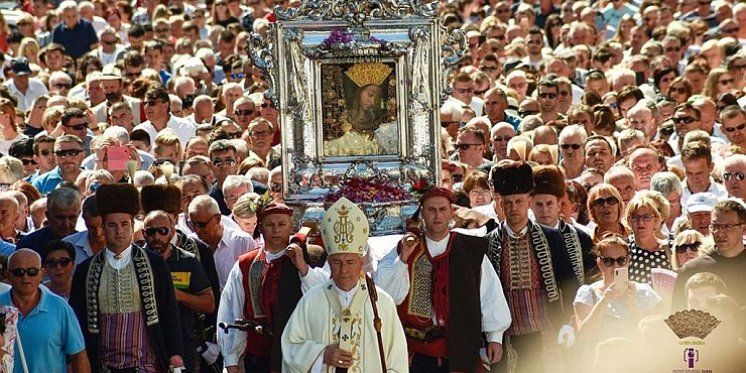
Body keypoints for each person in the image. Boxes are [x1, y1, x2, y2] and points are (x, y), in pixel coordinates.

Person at [375, 185, 510, 372]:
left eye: (442, 209)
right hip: (416, 353)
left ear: (451, 213)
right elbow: (385, 295)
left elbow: (489, 293)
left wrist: (495, 336)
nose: (437, 215)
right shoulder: (407, 249)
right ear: (422, 213)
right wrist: (403, 259)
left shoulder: (469, 250)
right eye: (431, 210)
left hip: (460, 349)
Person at [281, 197, 408, 372]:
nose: (344, 270)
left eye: (350, 262)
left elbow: (397, 358)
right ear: (329, 262)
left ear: (361, 262)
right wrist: (321, 354)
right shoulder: (311, 300)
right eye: (337, 262)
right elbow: (291, 346)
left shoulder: (381, 302)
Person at [69, 183, 185, 372]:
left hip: (145, 364)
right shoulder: (86, 270)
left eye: (124, 224)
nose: (119, 231)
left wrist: (175, 353)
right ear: (103, 228)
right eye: (112, 225)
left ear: (132, 226)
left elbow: (168, 310)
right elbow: (78, 320)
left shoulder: (154, 264)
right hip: (103, 366)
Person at [485, 161, 579, 372]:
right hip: (507, 335)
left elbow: (569, 283)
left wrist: (568, 322)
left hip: (546, 330)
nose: (513, 208)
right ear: (501, 205)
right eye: (507, 203)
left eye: (518, 201)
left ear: (528, 202)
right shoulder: (490, 243)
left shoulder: (551, 237)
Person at [218, 202, 325, 372]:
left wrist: (303, 268)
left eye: (281, 224)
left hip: (297, 356)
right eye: (270, 225)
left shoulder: (310, 257)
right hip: (257, 356)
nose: (276, 230)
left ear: (291, 227)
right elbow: (230, 311)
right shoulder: (246, 264)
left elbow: (323, 297)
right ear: (260, 227)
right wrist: (231, 359)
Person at [142, 210, 214, 373]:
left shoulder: (187, 261)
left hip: (182, 343)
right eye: (151, 232)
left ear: (173, 231)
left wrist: (179, 296)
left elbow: (209, 304)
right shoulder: (137, 260)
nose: (157, 237)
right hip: (146, 343)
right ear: (143, 233)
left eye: (163, 231)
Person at [0, 248, 90, 373]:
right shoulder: (1, 306)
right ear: (7, 275)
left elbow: (78, 355)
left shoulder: (60, 308)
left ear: (42, 273)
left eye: (32, 271)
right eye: (18, 272)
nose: (25, 277)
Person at [573, 235, 661, 350]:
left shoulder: (644, 292)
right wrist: (604, 300)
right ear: (600, 263)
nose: (615, 266)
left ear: (628, 261)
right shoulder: (588, 293)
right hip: (603, 361)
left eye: (621, 260)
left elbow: (656, 335)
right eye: (608, 261)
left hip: (638, 360)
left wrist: (632, 305)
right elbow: (584, 335)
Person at [672, 199, 746, 310]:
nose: (720, 233)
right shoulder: (692, 270)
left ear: (743, 228)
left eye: (727, 227)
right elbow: (678, 319)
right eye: (715, 227)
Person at [531, 165, 595, 283]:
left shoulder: (581, 238)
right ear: (530, 204)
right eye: (539, 205)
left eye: (549, 204)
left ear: (559, 204)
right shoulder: (525, 237)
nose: (545, 210)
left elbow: (591, 279)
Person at [324, 62, 397, 156]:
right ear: (360, 91)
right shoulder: (344, 119)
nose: (372, 101)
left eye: (377, 99)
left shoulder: (379, 125)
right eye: (370, 94)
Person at [188, 195, 255, 289]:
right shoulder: (190, 244)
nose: (196, 230)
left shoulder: (242, 242)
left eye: (201, 225)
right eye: (192, 224)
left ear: (218, 218)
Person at [624, 194, 672, 285]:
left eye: (646, 217)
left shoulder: (670, 249)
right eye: (635, 218)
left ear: (655, 220)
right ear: (629, 221)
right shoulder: (624, 250)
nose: (640, 222)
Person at [17, 186, 80, 254]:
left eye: (72, 217)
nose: (66, 224)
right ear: (48, 215)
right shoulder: (29, 244)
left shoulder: (85, 243)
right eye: (60, 218)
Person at [63, 196, 104, 264]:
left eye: (103, 226)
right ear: (83, 218)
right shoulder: (67, 246)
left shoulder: (126, 247)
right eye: (91, 227)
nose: (98, 233)